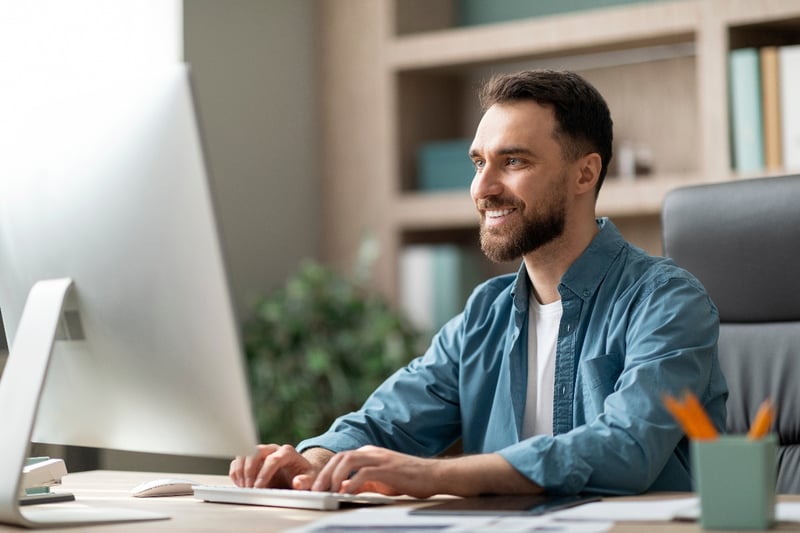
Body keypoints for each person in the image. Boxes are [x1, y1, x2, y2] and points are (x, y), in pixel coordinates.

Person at [230, 69, 728, 497]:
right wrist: (314, 460)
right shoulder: (485, 312)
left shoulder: (666, 300)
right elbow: (389, 420)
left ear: (585, 174)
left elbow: (627, 447)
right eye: (478, 162)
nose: (483, 188)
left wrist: (433, 476)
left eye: (513, 161)